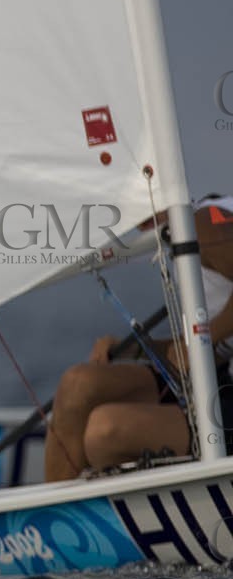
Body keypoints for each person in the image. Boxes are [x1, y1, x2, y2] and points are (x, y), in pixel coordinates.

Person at [44, 198, 233, 481]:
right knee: (79, 384)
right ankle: (53, 516)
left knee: (105, 431)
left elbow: (207, 338)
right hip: (218, 379)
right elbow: (214, 349)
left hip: (222, 396)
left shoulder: (205, 223)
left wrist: (202, 337)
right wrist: (136, 349)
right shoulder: (181, 233)